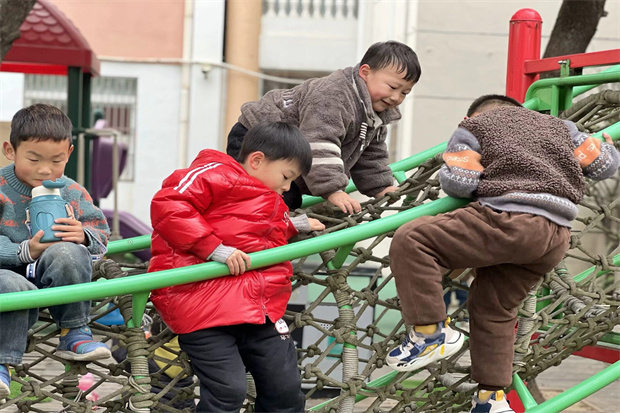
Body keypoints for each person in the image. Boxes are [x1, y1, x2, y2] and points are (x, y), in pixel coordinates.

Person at [386, 94, 620, 413]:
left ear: (471, 117)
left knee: (413, 239)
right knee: (494, 308)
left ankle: (429, 332)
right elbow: (602, 165)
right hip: (555, 237)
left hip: (508, 220)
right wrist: (608, 149)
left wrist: (459, 166)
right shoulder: (562, 128)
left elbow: (460, 182)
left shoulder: (474, 127)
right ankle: (491, 399)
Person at [148, 122, 325, 413]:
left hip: (259, 308)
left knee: (286, 391)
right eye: (286, 177)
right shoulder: (215, 174)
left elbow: (251, 232)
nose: (287, 187)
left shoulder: (269, 197)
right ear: (257, 160)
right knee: (228, 392)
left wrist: (292, 225)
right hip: (203, 305)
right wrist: (213, 247)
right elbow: (169, 205)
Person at [227, 40, 421, 212]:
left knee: (289, 200)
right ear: (365, 72)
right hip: (257, 139)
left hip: (289, 153)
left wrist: (381, 187)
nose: (396, 97)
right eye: (392, 87)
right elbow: (319, 142)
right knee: (269, 200)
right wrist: (333, 190)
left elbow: (371, 155)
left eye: (404, 93)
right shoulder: (334, 96)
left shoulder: (375, 114)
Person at [0, 104, 111, 401]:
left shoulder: (71, 191)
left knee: (68, 252)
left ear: (69, 154)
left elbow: (101, 233)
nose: (44, 170)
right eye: (33, 159)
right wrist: (23, 251)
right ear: (10, 150)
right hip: (7, 275)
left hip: (55, 278)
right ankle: (1, 364)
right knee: (8, 284)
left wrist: (83, 236)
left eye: (56, 160)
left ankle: (73, 332)